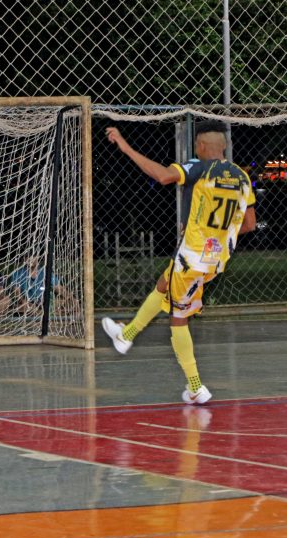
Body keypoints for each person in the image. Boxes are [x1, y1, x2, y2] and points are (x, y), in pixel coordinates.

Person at [102, 120, 256, 405]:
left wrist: (125, 147)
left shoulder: (198, 168)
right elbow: (249, 224)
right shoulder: (242, 178)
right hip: (215, 261)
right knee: (163, 285)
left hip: (191, 258)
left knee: (178, 317)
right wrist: (219, 234)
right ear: (224, 147)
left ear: (199, 147)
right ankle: (126, 335)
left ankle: (196, 386)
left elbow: (162, 176)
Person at [6, 256, 78, 315]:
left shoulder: (45, 273)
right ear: (24, 259)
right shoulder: (18, 273)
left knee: (62, 303)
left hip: (45, 302)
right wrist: (23, 301)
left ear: (38, 258)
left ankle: (55, 314)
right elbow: (16, 293)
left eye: (32, 256)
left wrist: (72, 299)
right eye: (27, 257)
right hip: (27, 303)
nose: (29, 259)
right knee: (23, 307)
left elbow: (60, 289)